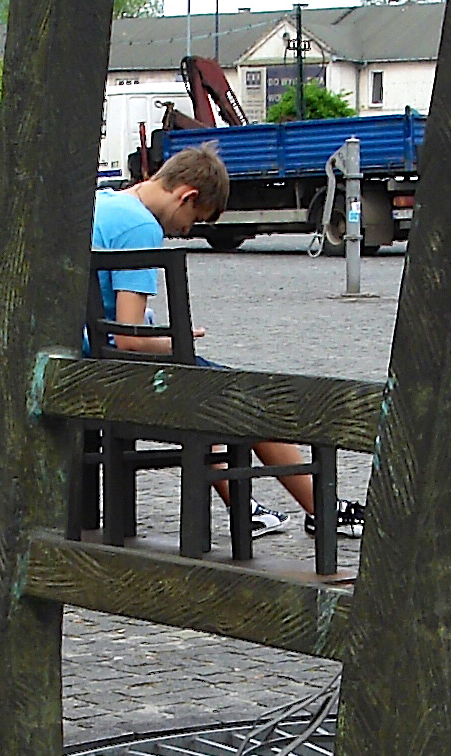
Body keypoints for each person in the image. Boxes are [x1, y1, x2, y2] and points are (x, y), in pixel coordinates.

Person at [92, 146, 364, 543]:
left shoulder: (106, 202)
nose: (184, 231)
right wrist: (178, 338)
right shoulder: (140, 227)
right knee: (240, 393)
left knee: (208, 384)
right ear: (186, 196)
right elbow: (129, 338)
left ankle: (248, 506)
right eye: (192, 220)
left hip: (84, 353)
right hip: (111, 367)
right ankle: (321, 509)